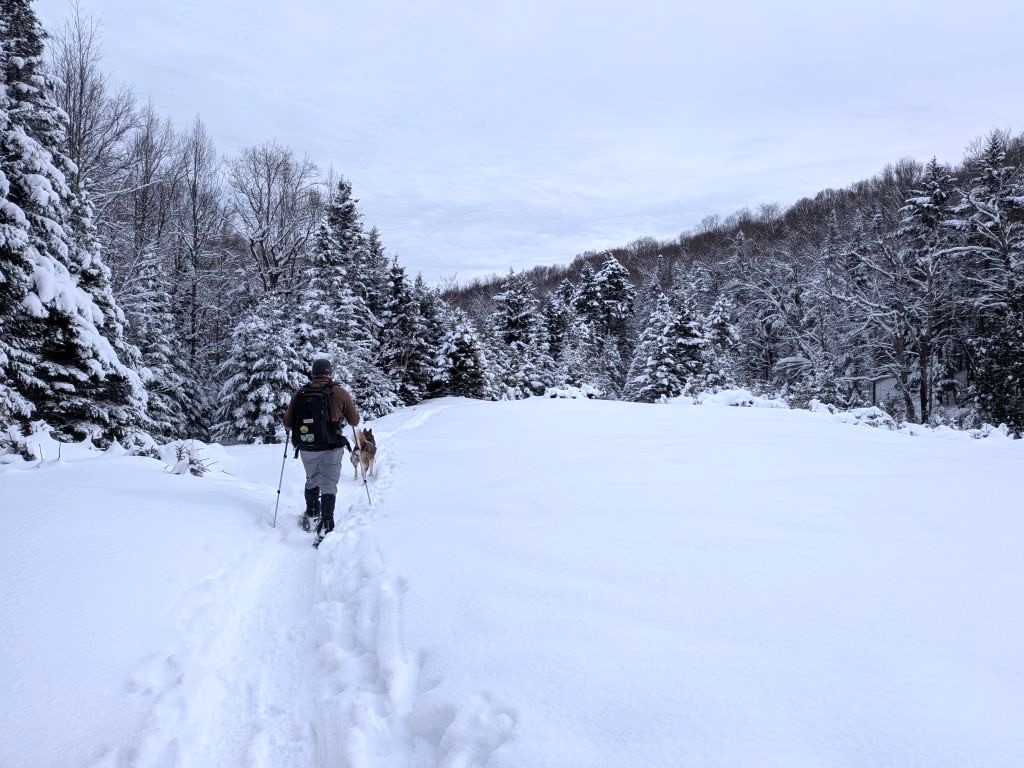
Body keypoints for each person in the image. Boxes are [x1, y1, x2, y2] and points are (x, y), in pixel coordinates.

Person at [283, 358, 360, 537]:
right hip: (332, 446)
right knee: (329, 483)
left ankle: (311, 514)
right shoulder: (339, 392)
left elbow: (287, 423)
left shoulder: (300, 393)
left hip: (307, 446)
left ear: (313, 373)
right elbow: (354, 421)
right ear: (329, 373)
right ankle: (326, 523)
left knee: (312, 479)